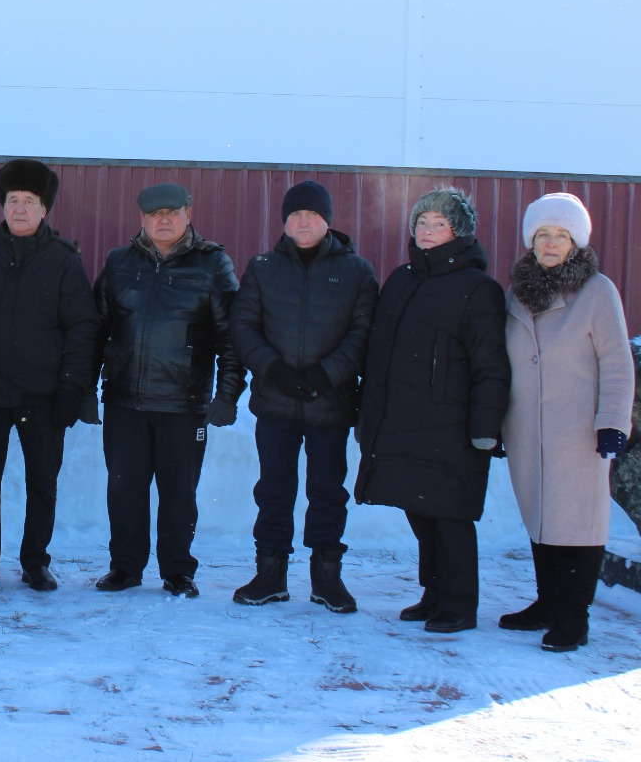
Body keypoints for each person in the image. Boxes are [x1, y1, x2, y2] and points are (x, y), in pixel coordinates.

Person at [355, 187, 510, 634]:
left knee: (450, 515)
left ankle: (459, 605)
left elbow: (490, 365)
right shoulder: (402, 280)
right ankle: (434, 593)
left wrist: (486, 427)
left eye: (438, 224)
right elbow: (379, 355)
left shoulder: (478, 289)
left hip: (451, 425)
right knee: (420, 511)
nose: (426, 231)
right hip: (403, 420)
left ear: (457, 232)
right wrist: (369, 415)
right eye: (421, 223)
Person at [0, 159, 98, 592]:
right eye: (14, 201)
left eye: (30, 201)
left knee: (41, 484)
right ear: (3, 207)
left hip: (42, 397)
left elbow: (83, 329)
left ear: (45, 210)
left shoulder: (64, 262)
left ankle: (35, 561)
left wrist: (72, 387)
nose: (21, 209)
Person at [230, 180, 377, 613]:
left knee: (327, 491)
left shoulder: (356, 271)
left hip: (329, 403)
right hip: (276, 403)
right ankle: (270, 574)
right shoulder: (263, 268)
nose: (304, 222)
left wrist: (323, 375)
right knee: (274, 489)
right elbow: (243, 325)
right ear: (285, 221)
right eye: (295, 215)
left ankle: (327, 578)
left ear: (327, 220)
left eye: (312, 215)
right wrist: (273, 369)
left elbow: (362, 332)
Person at [94, 182, 243, 598]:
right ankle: (124, 568)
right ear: (141, 218)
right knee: (124, 490)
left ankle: (178, 571)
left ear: (188, 214)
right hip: (125, 400)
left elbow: (232, 338)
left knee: (179, 494)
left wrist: (227, 395)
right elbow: (95, 330)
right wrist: (82, 389)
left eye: (171, 212)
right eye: (154, 214)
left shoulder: (212, 265)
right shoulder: (119, 263)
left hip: (184, 404)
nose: (163, 220)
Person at [500, 193, 634, 652]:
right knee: (540, 516)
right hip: (525, 428)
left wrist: (612, 421)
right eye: (543, 235)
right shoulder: (516, 294)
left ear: (575, 242)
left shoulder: (596, 290)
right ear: (531, 242)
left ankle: (573, 616)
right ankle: (547, 603)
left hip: (579, 429)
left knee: (578, 522)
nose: (551, 242)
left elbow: (617, 361)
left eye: (561, 235)